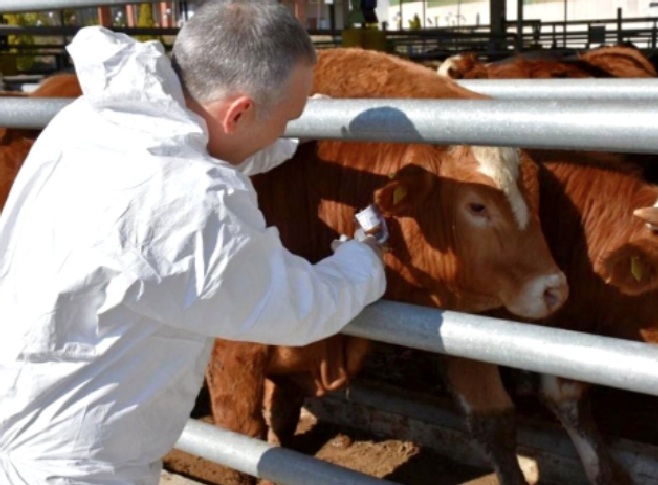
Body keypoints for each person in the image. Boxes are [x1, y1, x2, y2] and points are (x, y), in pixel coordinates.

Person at [0, 1, 386, 484]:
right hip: (79, 465)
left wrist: (284, 138)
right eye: (288, 118)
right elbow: (298, 307)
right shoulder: (190, 202)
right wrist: (364, 258)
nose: (287, 129)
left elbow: (185, 161)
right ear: (240, 112)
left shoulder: (99, 118)